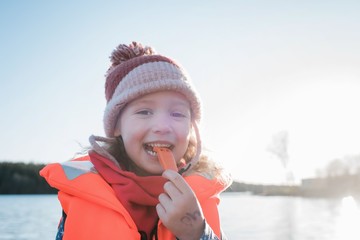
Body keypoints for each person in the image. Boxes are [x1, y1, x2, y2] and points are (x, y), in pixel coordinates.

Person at [40, 41, 232, 240]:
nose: (163, 126)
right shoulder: (83, 193)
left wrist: (197, 233)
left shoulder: (201, 198)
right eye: (144, 112)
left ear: (191, 128)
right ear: (116, 127)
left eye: (177, 114)